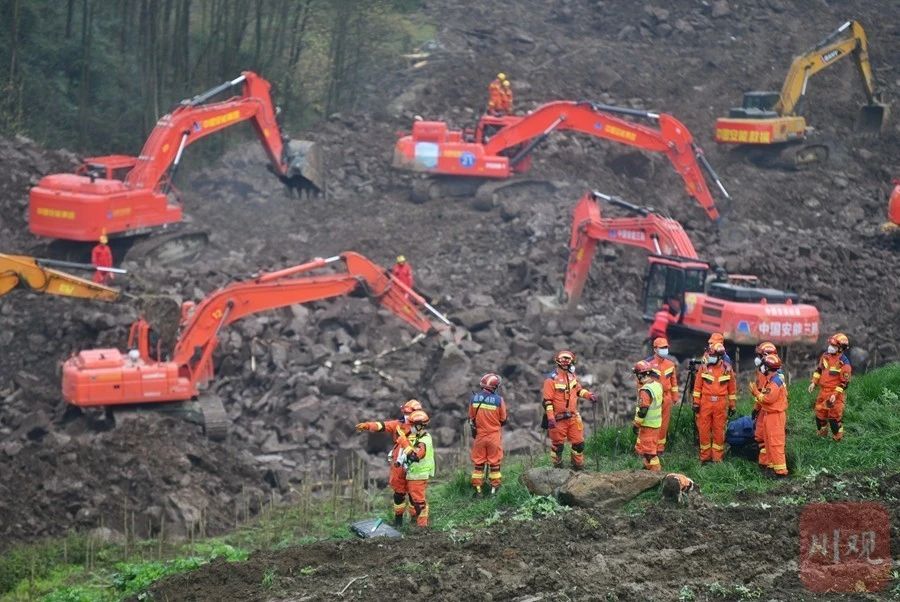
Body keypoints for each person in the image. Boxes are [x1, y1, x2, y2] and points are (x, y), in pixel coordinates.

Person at [356, 399, 423, 527]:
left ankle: (415, 520)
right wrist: (367, 425)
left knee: (414, 493)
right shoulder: (398, 425)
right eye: (406, 413)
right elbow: (382, 425)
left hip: (414, 463)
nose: (407, 416)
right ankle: (398, 521)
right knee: (398, 494)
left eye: (409, 414)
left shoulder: (420, 428)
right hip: (398, 462)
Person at [542, 349, 597, 470]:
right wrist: (551, 418)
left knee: (579, 444)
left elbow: (578, 390)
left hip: (572, 417)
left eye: (568, 360)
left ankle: (577, 466)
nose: (565, 363)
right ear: (557, 361)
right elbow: (547, 401)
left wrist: (589, 395)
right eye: (563, 360)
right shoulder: (550, 380)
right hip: (558, 419)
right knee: (558, 446)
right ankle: (557, 467)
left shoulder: (572, 376)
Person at [692, 342, 736, 463]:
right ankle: (705, 458)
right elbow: (697, 387)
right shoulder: (704, 368)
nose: (709, 357)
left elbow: (732, 389)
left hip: (721, 404)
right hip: (705, 403)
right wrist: (696, 403)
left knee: (719, 431)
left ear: (720, 357)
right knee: (704, 430)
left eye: (712, 355)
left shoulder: (727, 370)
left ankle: (717, 458)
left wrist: (732, 405)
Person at [469, 372, 508, 496]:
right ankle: (494, 489)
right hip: (494, 436)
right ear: (495, 387)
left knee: (478, 464)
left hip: (480, 436)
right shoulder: (498, 400)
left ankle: (478, 489)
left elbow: (471, 417)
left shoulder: (474, 399)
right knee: (495, 463)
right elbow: (503, 419)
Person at [808, 333, 852, 441]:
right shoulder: (825, 356)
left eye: (834, 346)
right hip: (823, 392)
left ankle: (838, 437)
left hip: (835, 395)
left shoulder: (844, 363)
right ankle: (822, 434)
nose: (830, 347)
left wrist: (835, 395)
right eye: (830, 345)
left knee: (834, 419)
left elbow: (844, 383)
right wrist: (814, 382)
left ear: (841, 348)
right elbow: (819, 370)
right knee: (819, 415)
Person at [751, 354, 789, 476]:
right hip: (769, 414)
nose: (761, 368)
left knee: (776, 444)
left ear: (767, 368)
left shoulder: (775, 382)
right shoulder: (771, 380)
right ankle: (772, 467)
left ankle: (781, 472)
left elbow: (768, 399)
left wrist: (755, 392)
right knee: (768, 442)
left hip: (775, 416)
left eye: (763, 366)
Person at [644, 337, 679, 454]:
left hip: (667, 397)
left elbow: (673, 382)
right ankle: (649, 449)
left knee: (664, 424)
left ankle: (659, 449)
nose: (665, 350)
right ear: (655, 349)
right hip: (654, 398)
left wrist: (675, 397)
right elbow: (641, 382)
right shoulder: (648, 364)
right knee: (652, 424)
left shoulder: (670, 364)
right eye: (662, 348)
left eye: (666, 347)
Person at [401, 410, 435, 527]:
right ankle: (415, 520)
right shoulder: (421, 436)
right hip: (415, 474)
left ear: (420, 426)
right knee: (415, 499)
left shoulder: (423, 441)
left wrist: (405, 444)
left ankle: (422, 526)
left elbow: (416, 456)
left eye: (412, 425)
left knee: (419, 501)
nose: (410, 427)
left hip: (418, 475)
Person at [749, 341, 778, 463]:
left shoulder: (774, 376)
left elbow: (766, 396)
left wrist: (756, 395)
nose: (758, 358)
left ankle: (770, 465)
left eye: (760, 355)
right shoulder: (763, 372)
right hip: (763, 408)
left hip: (771, 411)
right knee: (761, 436)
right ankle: (764, 463)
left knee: (770, 439)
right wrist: (756, 408)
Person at [632, 360, 664, 471]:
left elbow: (643, 410)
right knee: (647, 450)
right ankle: (647, 469)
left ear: (640, 375)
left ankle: (656, 472)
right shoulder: (657, 385)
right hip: (656, 424)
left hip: (648, 425)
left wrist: (636, 424)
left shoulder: (645, 390)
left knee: (650, 453)